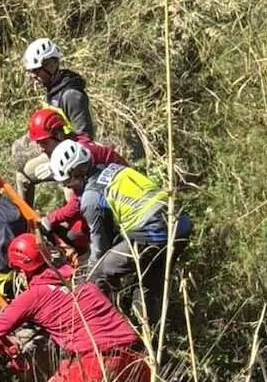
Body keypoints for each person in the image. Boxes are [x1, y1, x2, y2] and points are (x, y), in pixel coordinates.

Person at [0, 233, 149, 382]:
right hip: (137, 358)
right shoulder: (82, 282)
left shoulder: (34, 295)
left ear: (21, 268)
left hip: (97, 360)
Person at [48, 140, 192, 328]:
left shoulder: (91, 198)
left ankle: (101, 329)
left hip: (154, 231)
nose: (68, 188)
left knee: (98, 274)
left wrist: (84, 281)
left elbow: (100, 250)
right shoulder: (114, 169)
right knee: (149, 287)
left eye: (68, 182)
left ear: (78, 173)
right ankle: (150, 336)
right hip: (179, 224)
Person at [28, 108, 126, 256]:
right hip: (103, 190)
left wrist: (49, 219)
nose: (41, 149)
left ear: (59, 135)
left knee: (76, 235)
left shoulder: (80, 157)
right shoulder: (73, 147)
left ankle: (95, 258)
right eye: (39, 143)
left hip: (116, 196)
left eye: (44, 143)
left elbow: (77, 204)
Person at [15, 38, 95, 207]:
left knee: (71, 198)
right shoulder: (52, 90)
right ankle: (26, 221)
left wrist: (57, 165)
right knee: (23, 177)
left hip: (72, 160)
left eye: (36, 71)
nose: (33, 77)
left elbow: (86, 138)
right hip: (53, 150)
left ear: (50, 66)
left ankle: (77, 228)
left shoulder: (72, 96)